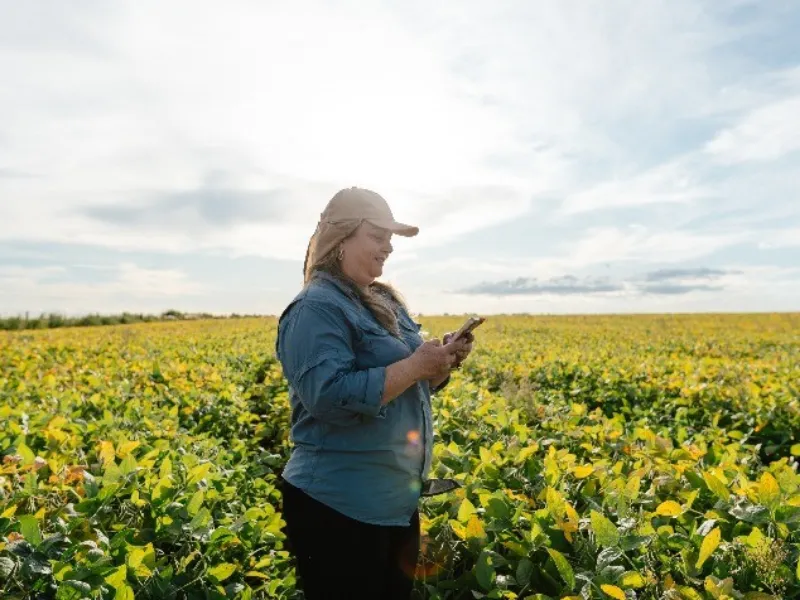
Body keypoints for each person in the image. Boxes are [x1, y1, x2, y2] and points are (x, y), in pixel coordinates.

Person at [276, 187, 475, 599]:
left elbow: (404, 388)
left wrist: (440, 364)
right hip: (337, 507)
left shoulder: (381, 299)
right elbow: (329, 397)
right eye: (378, 236)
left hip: (393, 504)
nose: (388, 248)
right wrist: (416, 365)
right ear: (341, 238)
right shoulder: (316, 307)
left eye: (391, 239)